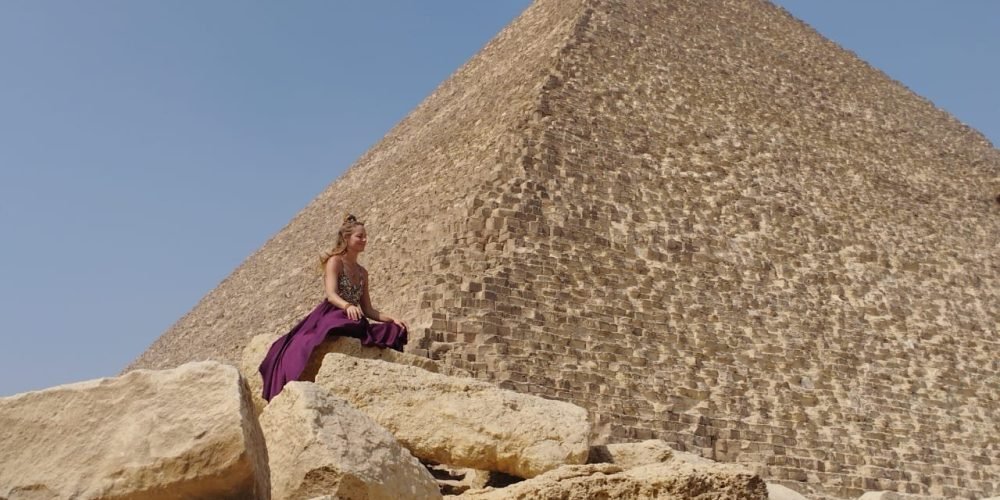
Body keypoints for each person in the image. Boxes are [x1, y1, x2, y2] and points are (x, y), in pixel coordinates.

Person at [258, 214, 408, 401]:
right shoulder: (335, 261)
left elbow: (368, 310)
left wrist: (393, 319)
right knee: (339, 322)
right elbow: (331, 294)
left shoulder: (363, 273)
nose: (365, 240)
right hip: (333, 311)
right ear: (346, 238)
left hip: (353, 316)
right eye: (360, 236)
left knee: (393, 329)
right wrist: (347, 305)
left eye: (365, 236)